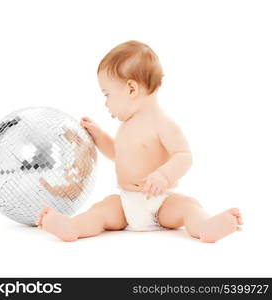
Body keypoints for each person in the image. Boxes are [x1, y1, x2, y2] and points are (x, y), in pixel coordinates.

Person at [36, 40, 243, 243]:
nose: (106, 103)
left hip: (161, 202)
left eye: (107, 94)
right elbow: (117, 154)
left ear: (131, 89)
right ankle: (73, 227)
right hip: (126, 203)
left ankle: (204, 226)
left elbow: (184, 156)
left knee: (188, 206)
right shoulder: (126, 126)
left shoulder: (163, 123)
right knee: (102, 209)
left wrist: (163, 175)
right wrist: (99, 136)